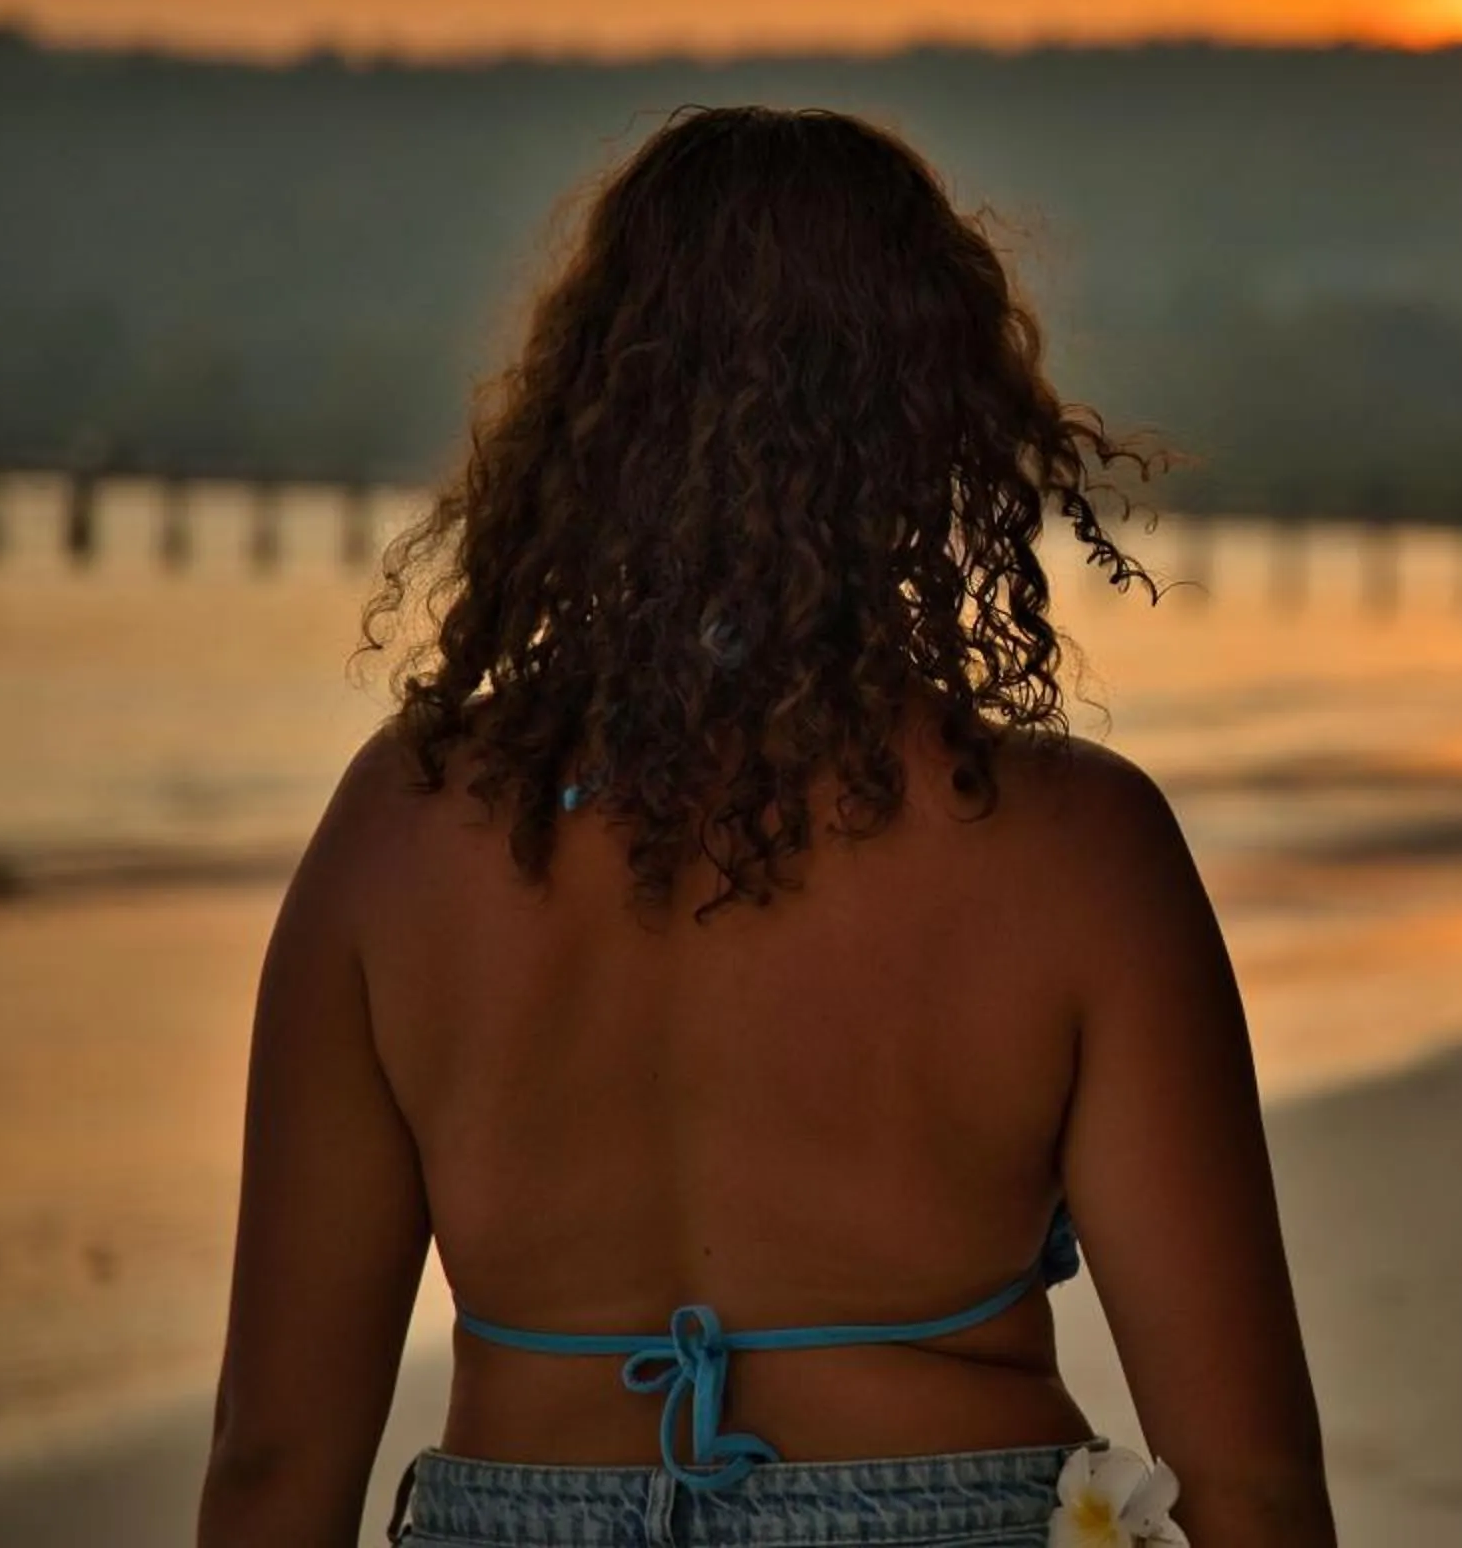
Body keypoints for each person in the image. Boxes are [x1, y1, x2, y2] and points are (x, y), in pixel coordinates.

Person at [200, 109, 1333, 1548]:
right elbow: (1245, 1480)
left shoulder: (405, 826)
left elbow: (273, 1463)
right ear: (944, 429)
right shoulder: (1073, 852)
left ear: (589, 422)